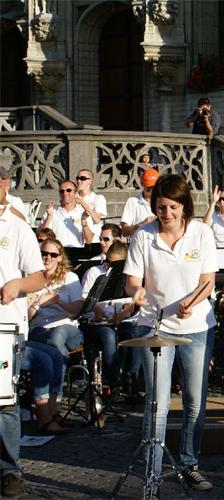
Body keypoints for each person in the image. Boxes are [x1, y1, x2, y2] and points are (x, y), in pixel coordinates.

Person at [124, 174, 217, 492]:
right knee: (157, 403)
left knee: (195, 401)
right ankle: (151, 474)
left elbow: (208, 281)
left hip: (197, 326)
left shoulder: (202, 233)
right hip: (155, 325)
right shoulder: (143, 236)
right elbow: (132, 279)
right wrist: (136, 292)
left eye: (173, 207)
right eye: (161, 207)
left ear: (184, 206)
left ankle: (190, 463)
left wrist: (192, 302)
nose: (167, 214)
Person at [0, 172, 46, 497]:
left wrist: (17, 284)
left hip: (6, 325)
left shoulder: (17, 228)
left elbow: (39, 278)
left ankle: (9, 470)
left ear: (4, 184)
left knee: (4, 400)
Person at [79, 241, 133, 390]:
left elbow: (131, 303)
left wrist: (122, 314)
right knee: (108, 336)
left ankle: (130, 377)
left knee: (136, 334)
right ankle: (113, 382)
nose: (110, 266)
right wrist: (97, 309)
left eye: (115, 264)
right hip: (95, 322)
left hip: (119, 320)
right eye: (108, 261)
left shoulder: (128, 275)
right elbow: (84, 298)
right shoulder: (94, 272)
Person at [27, 239, 84, 378]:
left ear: (59, 258)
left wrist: (57, 301)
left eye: (53, 255)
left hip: (68, 329)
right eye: (44, 253)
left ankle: (52, 388)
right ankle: (55, 389)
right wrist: (38, 304)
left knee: (59, 333)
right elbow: (26, 317)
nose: (48, 258)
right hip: (40, 329)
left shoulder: (70, 278)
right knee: (56, 344)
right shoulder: (30, 280)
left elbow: (76, 311)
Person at [38, 180, 93, 247]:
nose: (65, 193)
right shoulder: (51, 212)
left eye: (68, 190)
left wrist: (83, 222)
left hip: (77, 251)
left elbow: (89, 240)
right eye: (62, 191)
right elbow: (41, 236)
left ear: (76, 193)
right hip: (57, 252)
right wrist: (49, 216)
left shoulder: (83, 212)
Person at [121, 169, 158, 237]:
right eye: (148, 186)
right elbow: (124, 231)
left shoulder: (163, 202)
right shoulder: (133, 201)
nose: (151, 189)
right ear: (142, 184)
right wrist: (142, 224)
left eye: (153, 187)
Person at [74, 169, 107, 243]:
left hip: (92, 242)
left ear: (90, 181)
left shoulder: (98, 198)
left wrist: (82, 202)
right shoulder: (73, 198)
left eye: (82, 178)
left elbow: (97, 219)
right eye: (77, 178)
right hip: (75, 241)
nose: (79, 181)